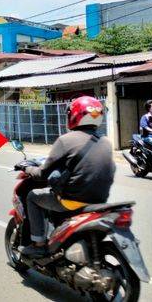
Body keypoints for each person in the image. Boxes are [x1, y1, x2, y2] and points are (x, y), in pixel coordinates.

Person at [17, 96, 115, 258]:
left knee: (32, 196)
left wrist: (28, 168)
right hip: (99, 202)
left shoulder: (65, 140)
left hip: (72, 202)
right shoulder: (105, 141)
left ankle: (39, 244)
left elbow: (42, 173)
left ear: (74, 115)